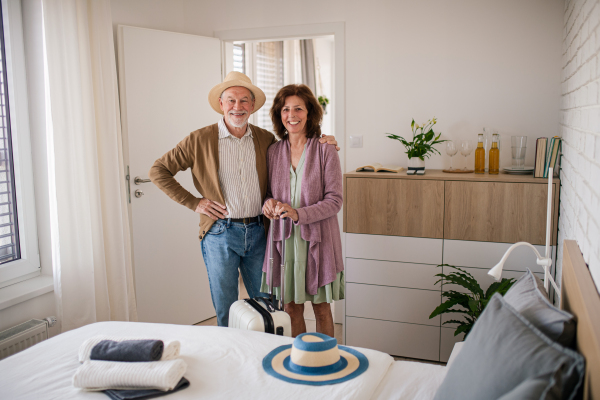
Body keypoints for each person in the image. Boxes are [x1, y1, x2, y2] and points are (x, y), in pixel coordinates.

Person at [149, 72, 338, 327]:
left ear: (252, 106)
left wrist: (326, 140)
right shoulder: (200, 139)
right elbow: (158, 171)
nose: (237, 107)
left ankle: (266, 358)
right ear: (221, 104)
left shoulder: (266, 140)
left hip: (261, 232)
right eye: (231, 100)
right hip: (220, 233)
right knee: (227, 308)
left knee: (270, 308)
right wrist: (195, 202)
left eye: (244, 101)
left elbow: (280, 182)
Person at [262, 84, 344, 338]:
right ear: (279, 115)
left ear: (310, 113)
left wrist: (298, 214)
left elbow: (335, 200)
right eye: (286, 109)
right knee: (290, 308)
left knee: (321, 308)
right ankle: (301, 360)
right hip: (284, 242)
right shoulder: (273, 152)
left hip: (317, 239)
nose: (292, 114)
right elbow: (268, 194)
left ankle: (327, 360)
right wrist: (268, 204)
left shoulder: (325, 150)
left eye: (298, 108)